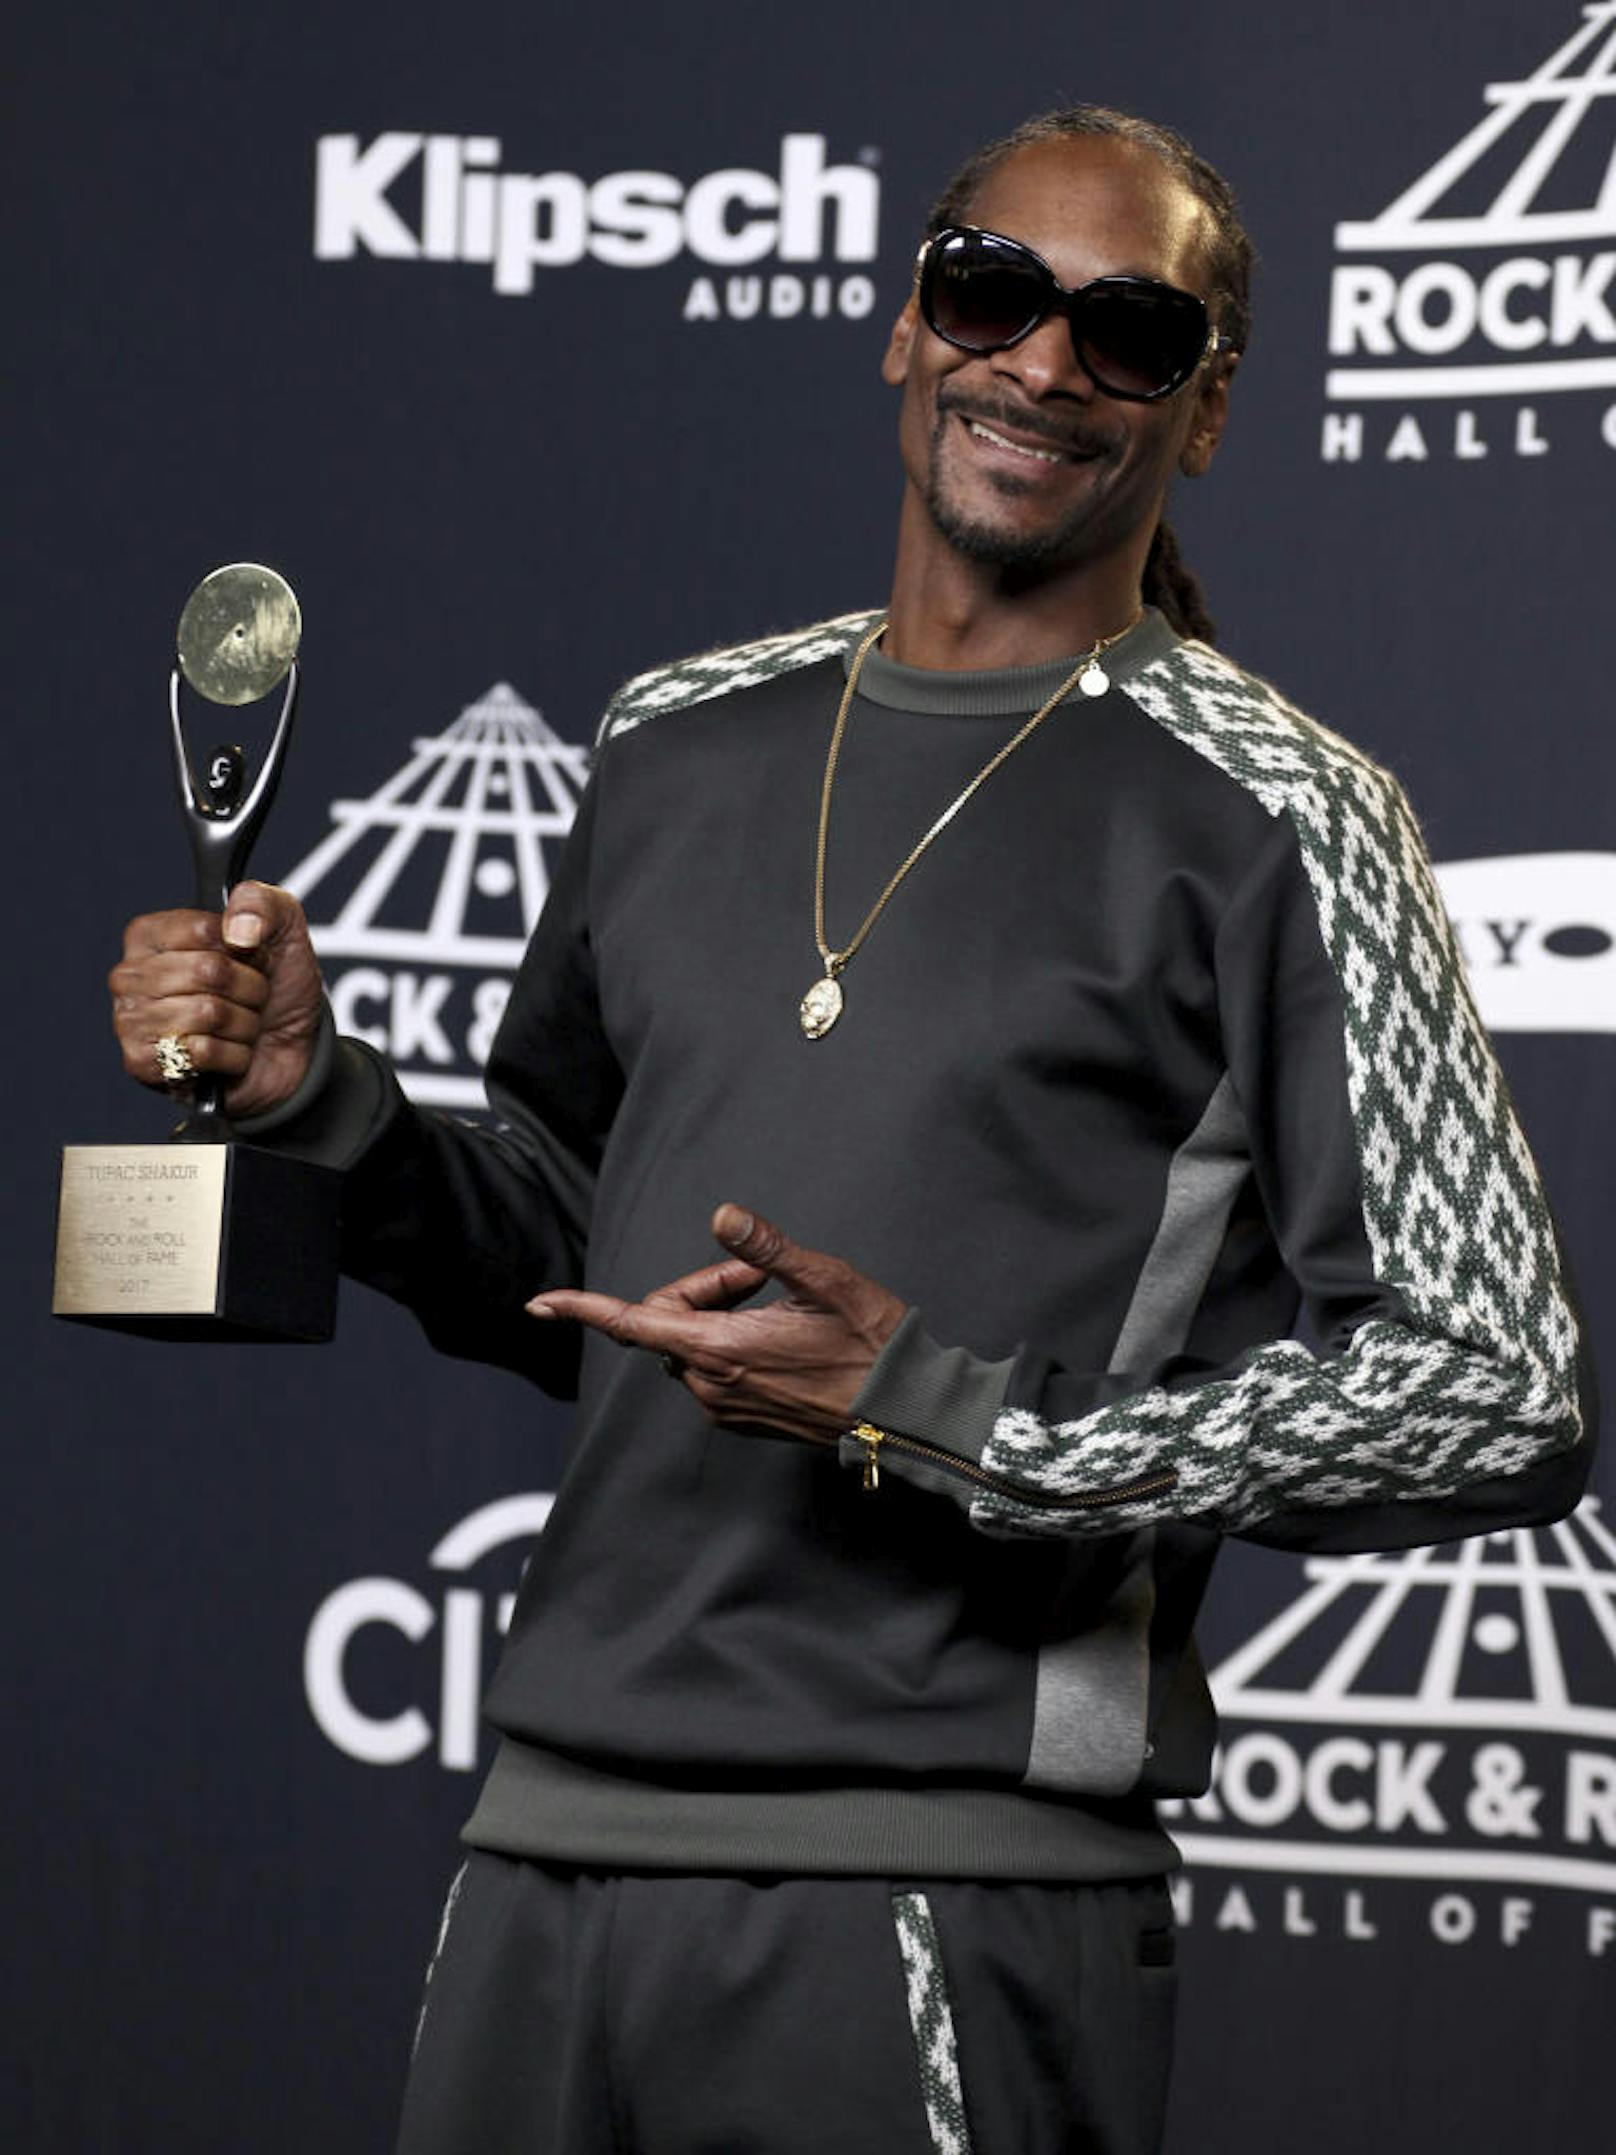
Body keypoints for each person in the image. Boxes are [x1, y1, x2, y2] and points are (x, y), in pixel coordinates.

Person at [110, 107, 1591, 2155]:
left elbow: (1494, 1392)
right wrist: (323, 1103)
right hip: (543, 1838)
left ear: (1210, 408)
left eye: (1130, 333)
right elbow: (570, 1256)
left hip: (941, 1877)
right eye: (993, 292)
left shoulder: (1285, 814)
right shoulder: (674, 739)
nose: (1044, 365)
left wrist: (936, 1410)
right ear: (907, 319)